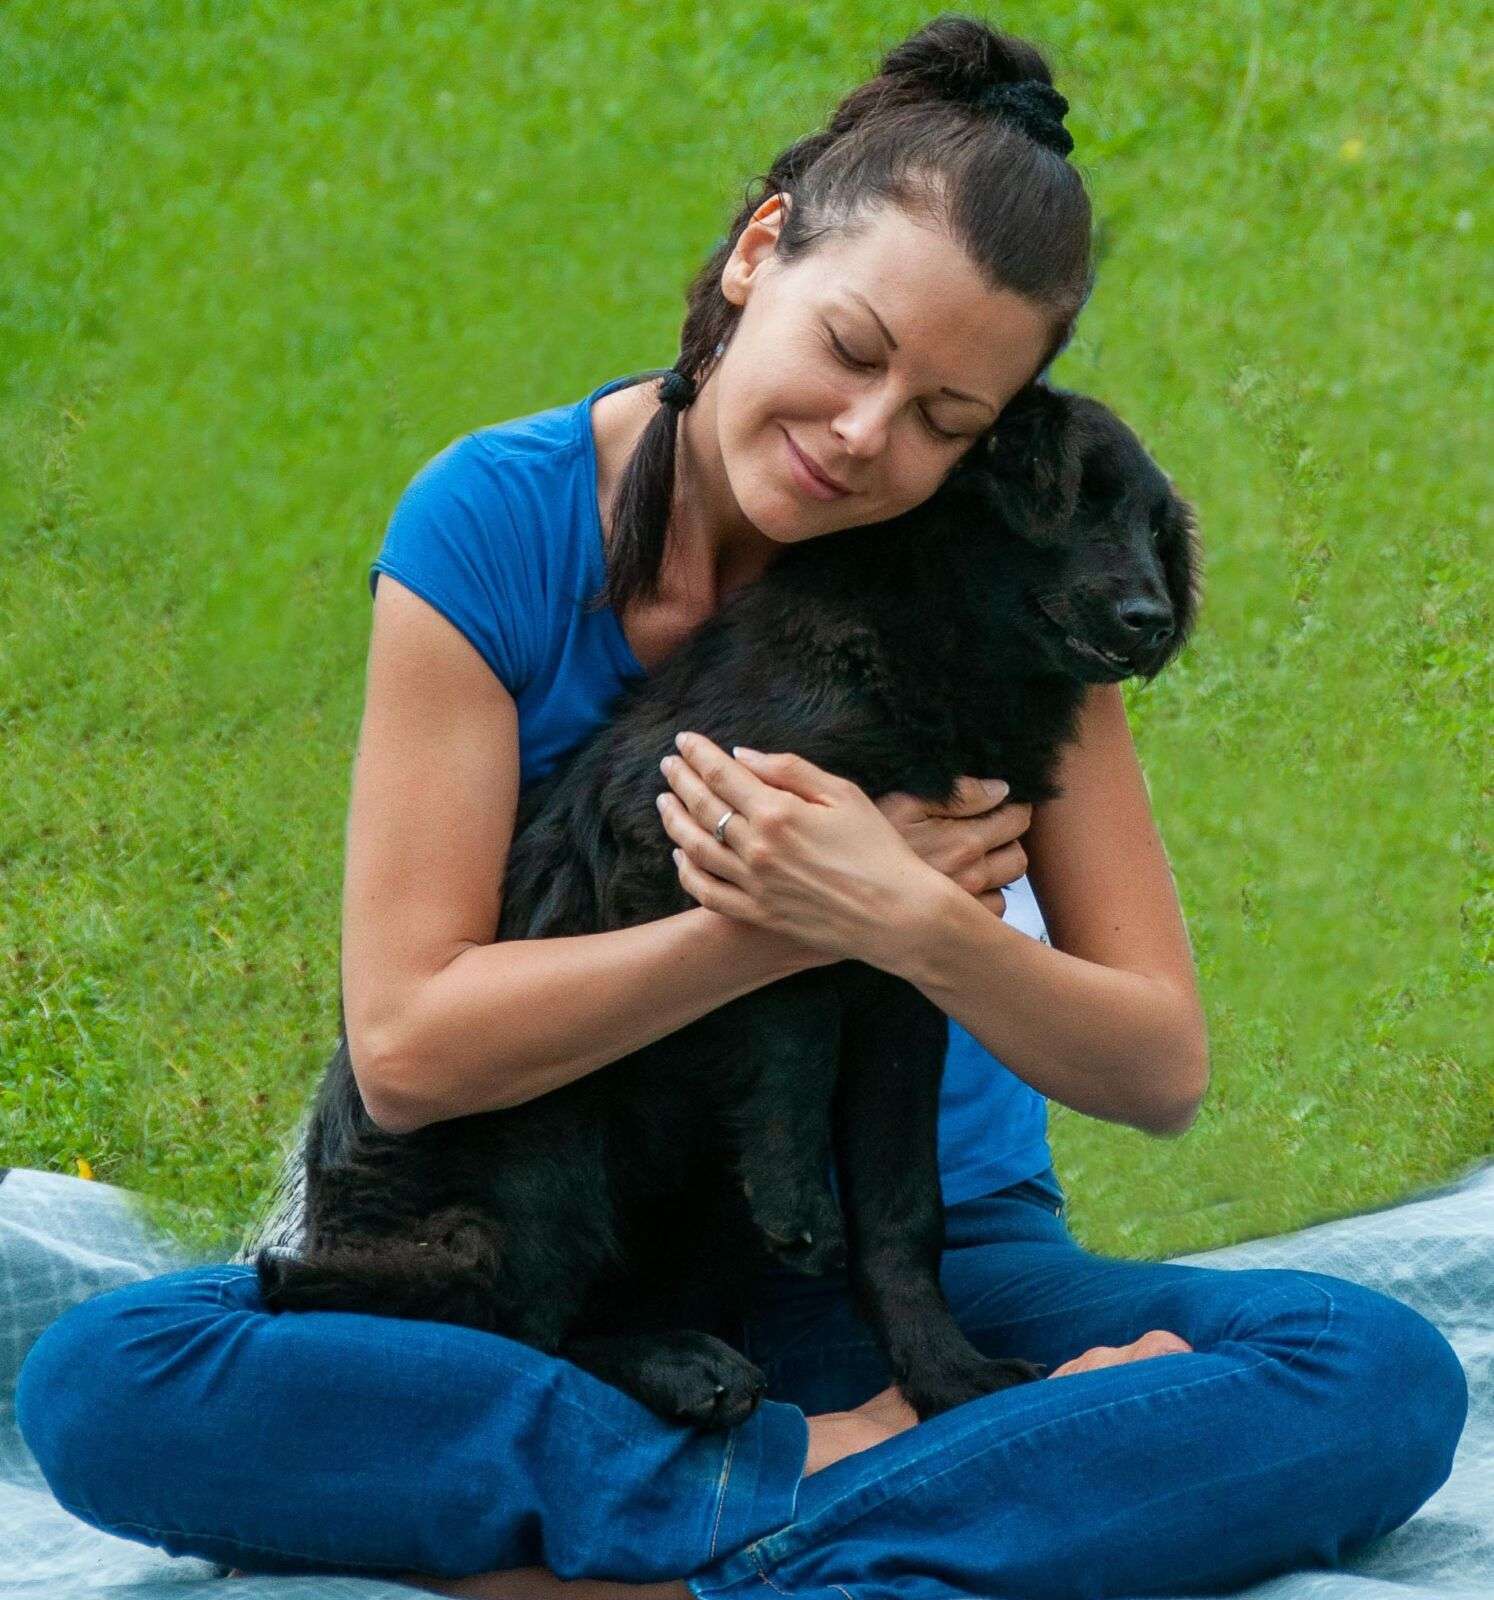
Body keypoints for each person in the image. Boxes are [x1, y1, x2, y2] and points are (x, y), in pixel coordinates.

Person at [15, 15, 1466, 1600]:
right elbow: (413, 1050)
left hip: (921, 1267)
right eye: (852, 351)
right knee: (110, 1383)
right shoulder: (495, 521)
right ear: (758, 252)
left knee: (1370, 1373)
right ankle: (848, 1483)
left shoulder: (1009, 576)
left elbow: (1152, 1065)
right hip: (592, 1251)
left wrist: (909, 919)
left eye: (946, 422)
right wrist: (778, 922)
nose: (867, 440)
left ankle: (648, 1541)